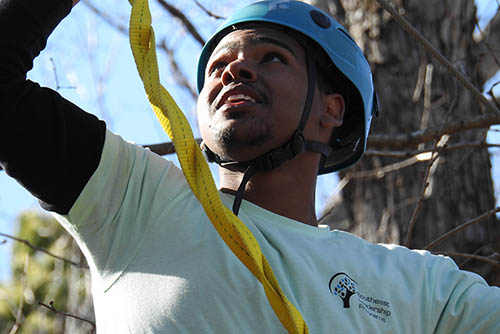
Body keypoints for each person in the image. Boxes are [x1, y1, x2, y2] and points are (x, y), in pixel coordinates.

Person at [0, 0, 499, 332]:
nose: (234, 70)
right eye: (218, 67)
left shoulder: (418, 287)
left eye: (272, 57)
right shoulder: (133, 199)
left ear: (333, 109)